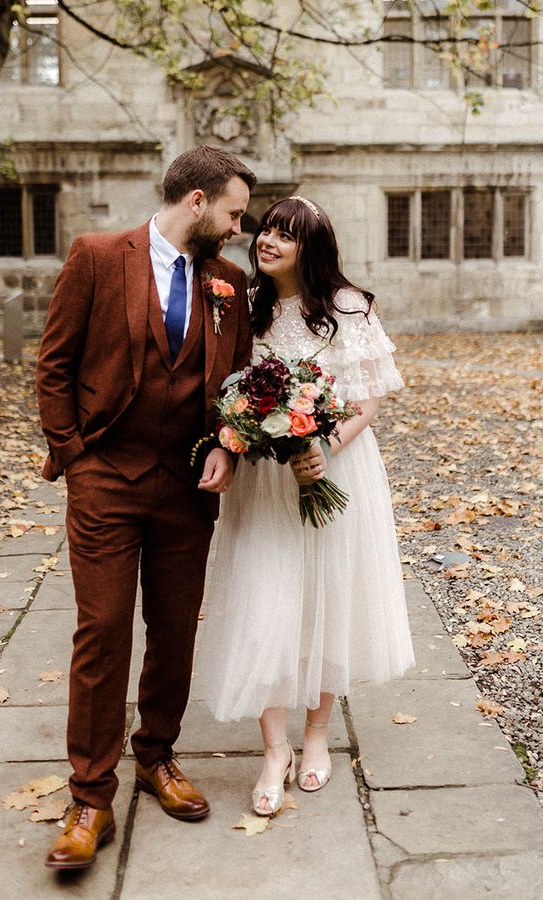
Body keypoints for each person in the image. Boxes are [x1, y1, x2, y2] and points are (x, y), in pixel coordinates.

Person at [36, 145, 256, 869]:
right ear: (196, 202)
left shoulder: (228, 283)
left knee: (172, 631)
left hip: (186, 486)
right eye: (231, 212)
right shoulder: (98, 256)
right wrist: (73, 455)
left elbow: (238, 384)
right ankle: (90, 797)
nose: (236, 227)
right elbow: (55, 363)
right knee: (102, 631)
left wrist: (229, 441)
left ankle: (157, 755)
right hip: (104, 479)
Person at [196, 196, 415, 815]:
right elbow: (230, 392)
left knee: (325, 599)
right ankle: (274, 749)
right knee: (266, 601)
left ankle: (316, 736)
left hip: (335, 471)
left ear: (310, 248)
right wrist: (241, 435)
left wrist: (321, 446)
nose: (267, 241)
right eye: (265, 229)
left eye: (284, 236)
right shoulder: (247, 308)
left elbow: (367, 400)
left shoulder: (348, 309)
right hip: (265, 483)